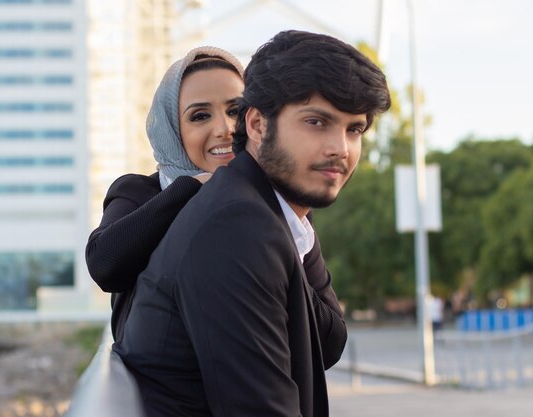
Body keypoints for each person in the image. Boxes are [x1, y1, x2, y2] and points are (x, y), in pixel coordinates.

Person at [115, 30, 391, 417]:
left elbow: (327, 342)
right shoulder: (234, 229)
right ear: (258, 125)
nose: (340, 149)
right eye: (317, 122)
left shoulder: (264, 214)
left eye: (354, 129)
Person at [85, 46, 347, 368]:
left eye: (235, 111)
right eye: (200, 116)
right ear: (173, 129)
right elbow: (105, 264)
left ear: (257, 121)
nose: (224, 128)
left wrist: (278, 236)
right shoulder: (142, 193)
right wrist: (195, 187)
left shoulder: (282, 209)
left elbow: (330, 345)